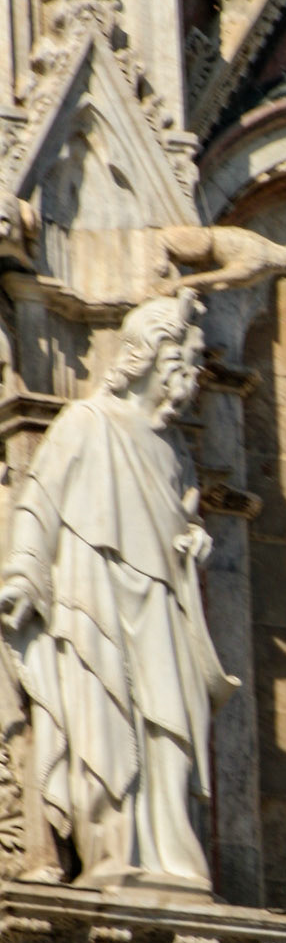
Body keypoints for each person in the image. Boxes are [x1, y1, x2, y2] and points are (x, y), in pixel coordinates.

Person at [0, 289, 236, 890]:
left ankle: (171, 856)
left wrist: (193, 545)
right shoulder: (87, 422)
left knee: (169, 723)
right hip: (92, 594)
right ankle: (112, 849)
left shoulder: (174, 450)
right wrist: (25, 572)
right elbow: (39, 502)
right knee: (103, 720)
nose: (188, 382)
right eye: (181, 366)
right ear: (150, 361)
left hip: (160, 601)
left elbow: (179, 520)